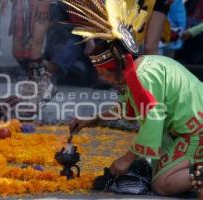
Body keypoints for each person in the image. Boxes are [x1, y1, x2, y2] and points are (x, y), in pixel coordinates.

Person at [64, 0, 203, 196]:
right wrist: (91, 120)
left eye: (104, 73)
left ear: (118, 66)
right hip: (186, 128)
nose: (101, 77)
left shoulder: (142, 77)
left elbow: (153, 120)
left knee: (162, 184)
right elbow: (128, 108)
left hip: (197, 130)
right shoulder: (138, 69)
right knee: (154, 167)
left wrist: (126, 158)